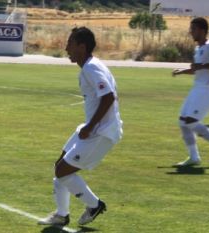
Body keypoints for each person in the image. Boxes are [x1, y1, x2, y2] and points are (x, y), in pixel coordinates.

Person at [38, 27, 122, 227]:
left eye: (70, 44)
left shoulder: (91, 68)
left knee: (63, 171)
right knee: (60, 167)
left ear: (82, 47)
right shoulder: (89, 67)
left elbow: (108, 97)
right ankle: (61, 215)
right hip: (91, 128)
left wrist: (91, 126)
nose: (67, 48)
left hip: (101, 132)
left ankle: (94, 205)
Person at [172, 17, 209, 166]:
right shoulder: (198, 48)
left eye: (194, 29)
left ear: (202, 31)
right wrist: (183, 71)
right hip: (197, 88)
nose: (191, 32)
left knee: (191, 121)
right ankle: (194, 157)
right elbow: (197, 69)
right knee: (183, 121)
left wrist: (202, 65)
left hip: (207, 90)